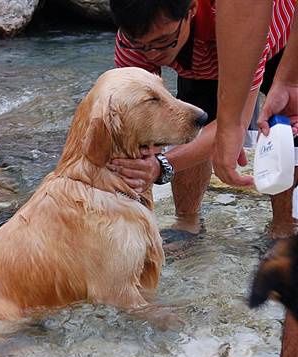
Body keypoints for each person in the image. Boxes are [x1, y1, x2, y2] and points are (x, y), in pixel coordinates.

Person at [107, 0, 295, 239]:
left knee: (288, 130)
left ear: (191, 10)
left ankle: (283, 229)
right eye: (142, 46)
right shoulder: (133, 39)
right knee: (182, 125)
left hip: (279, 44)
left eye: (162, 42)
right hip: (199, 54)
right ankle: (186, 222)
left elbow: (233, 124)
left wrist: (161, 166)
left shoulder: (237, 20)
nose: (153, 54)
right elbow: (137, 130)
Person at [214, 0, 298, 238]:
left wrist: (229, 125)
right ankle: (283, 230)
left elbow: (247, 8)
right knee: (286, 122)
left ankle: (285, 226)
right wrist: (289, 80)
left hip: (277, 31)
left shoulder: (254, 28)